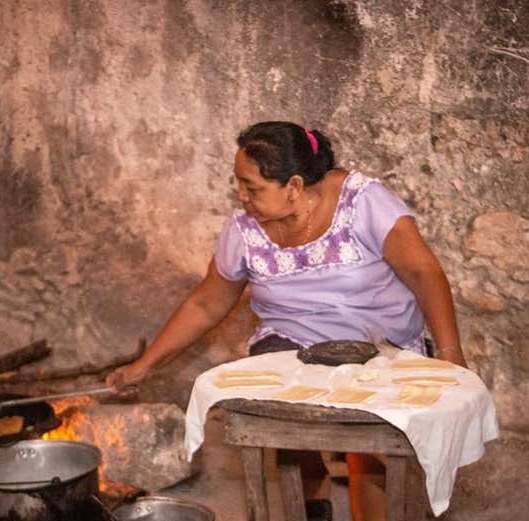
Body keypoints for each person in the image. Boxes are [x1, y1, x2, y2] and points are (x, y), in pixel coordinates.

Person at [106, 121, 467, 521]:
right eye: (239, 183)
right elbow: (207, 303)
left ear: (294, 186)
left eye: (252, 187)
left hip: (379, 342)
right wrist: (144, 365)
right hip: (292, 341)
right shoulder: (246, 230)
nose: (242, 196)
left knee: (368, 442)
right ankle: (313, 508)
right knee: (284, 413)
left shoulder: (362, 202)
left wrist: (450, 354)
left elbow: (423, 272)